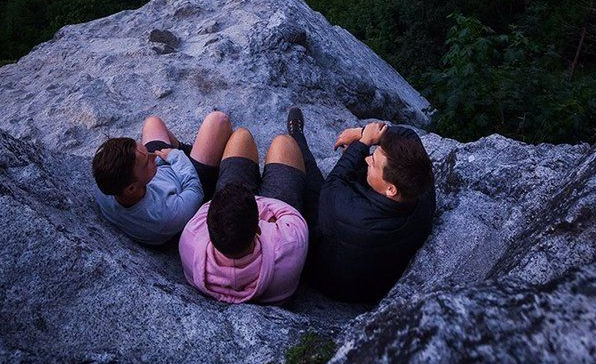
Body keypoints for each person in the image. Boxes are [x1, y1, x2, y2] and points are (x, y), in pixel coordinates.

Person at [286, 107, 435, 304]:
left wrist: (363, 143)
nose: (367, 158)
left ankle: (296, 137)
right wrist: (361, 133)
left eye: (373, 161)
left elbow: (333, 185)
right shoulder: (420, 186)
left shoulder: (354, 215)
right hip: (371, 274)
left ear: (391, 189)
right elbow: (408, 134)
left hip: (332, 282)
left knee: (306, 179)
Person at [178, 126, 309, 304]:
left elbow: (208, 206)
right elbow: (290, 212)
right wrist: (261, 208)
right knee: (283, 143)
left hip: (247, 211)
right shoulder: (291, 244)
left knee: (241, 136)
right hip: (274, 207)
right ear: (258, 228)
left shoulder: (190, 240)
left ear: (209, 227)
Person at [92, 110, 232, 245]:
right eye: (147, 161)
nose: (154, 156)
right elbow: (195, 190)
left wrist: (154, 160)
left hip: (166, 170)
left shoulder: (105, 185)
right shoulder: (165, 216)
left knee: (153, 122)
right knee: (218, 121)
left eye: (146, 153)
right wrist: (175, 156)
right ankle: (205, 155)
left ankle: (194, 151)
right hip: (189, 180)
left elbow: (149, 161)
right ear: (131, 188)